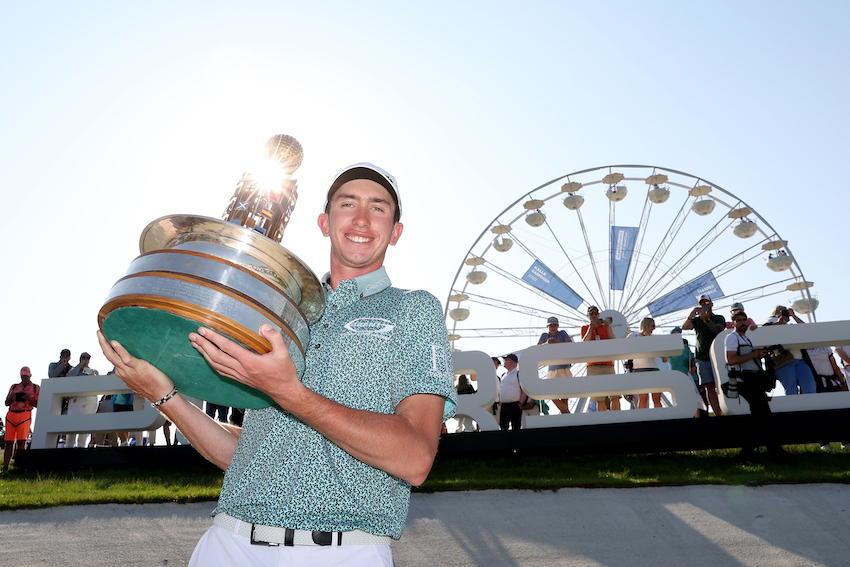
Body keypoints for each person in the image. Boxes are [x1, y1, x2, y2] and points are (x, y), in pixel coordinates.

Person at [98, 162, 456, 565]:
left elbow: (416, 458)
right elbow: (245, 455)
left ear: (396, 231)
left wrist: (289, 392)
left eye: (378, 208)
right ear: (324, 222)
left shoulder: (414, 309)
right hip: (228, 543)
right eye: (347, 203)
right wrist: (163, 394)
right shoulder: (281, 312)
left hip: (343, 551)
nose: (360, 219)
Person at [725, 311, 790, 464]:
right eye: (739, 320)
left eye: (744, 320)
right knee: (764, 417)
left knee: (761, 419)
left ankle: (753, 455)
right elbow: (731, 360)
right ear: (733, 323)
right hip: (744, 381)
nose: (742, 323)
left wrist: (760, 354)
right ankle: (772, 454)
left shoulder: (745, 337)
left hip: (753, 380)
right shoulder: (732, 337)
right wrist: (755, 355)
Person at [682, 294, 724, 416]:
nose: (704, 305)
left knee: (721, 384)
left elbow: (719, 330)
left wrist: (707, 320)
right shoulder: (696, 321)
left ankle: (724, 409)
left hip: (717, 356)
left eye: (706, 303)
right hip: (702, 357)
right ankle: (717, 414)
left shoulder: (718, 318)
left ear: (711, 304)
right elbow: (685, 327)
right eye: (702, 303)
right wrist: (691, 315)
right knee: (708, 386)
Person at [763, 306, 816, 395]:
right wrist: (778, 323)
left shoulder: (789, 325)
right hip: (783, 360)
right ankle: (795, 408)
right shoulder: (771, 321)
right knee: (791, 389)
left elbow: (806, 329)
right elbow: (765, 329)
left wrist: (794, 316)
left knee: (809, 385)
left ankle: (811, 407)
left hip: (799, 359)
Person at [581, 306, 619, 411]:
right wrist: (591, 328)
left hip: (608, 364)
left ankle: (617, 419)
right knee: (599, 398)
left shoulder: (605, 327)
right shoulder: (584, 328)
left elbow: (613, 340)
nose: (593, 315)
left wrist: (607, 326)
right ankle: (604, 421)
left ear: (599, 315)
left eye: (595, 313)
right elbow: (585, 342)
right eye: (591, 313)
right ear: (588, 316)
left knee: (615, 395)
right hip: (593, 366)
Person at [626, 317, 668, 409]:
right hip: (639, 370)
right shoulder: (633, 336)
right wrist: (646, 340)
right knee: (643, 398)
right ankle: (642, 420)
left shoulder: (655, 339)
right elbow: (628, 349)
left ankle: (660, 419)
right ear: (646, 325)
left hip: (654, 369)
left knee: (657, 399)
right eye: (653, 325)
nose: (654, 328)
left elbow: (665, 359)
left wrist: (653, 343)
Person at [4, 366, 39, 471]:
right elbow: (6, 403)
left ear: (30, 376)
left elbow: (39, 404)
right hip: (11, 415)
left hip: (25, 415)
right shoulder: (14, 387)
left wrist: (29, 399)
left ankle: (20, 467)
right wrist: (12, 397)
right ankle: (5, 467)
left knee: (21, 442)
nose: (24, 379)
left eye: (26, 376)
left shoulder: (35, 388)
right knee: (8, 442)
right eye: (23, 377)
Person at [538, 316, 573, 414]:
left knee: (564, 396)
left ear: (557, 326)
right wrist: (547, 344)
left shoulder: (562, 333)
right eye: (551, 325)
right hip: (552, 369)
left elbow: (571, 345)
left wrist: (557, 343)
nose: (553, 327)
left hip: (564, 367)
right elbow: (538, 347)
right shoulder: (544, 335)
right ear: (547, 326)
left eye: (555, 325)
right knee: (550, 393)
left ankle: (566, 416)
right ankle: (568, 414)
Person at [64, 353, 99, 448]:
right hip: (76, 399)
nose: (86, 359)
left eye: (88, 358)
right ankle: (68, 448)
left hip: (90, 399)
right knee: (72, 427)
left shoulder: (94, 371)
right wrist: (80, 366)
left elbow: (98, 384)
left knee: (86, 426)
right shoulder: (75, 371)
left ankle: (81, 447)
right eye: (83, 358)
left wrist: (92, 376)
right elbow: (69, 377)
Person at [498, 354, 529, 430]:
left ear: (510, 362)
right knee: (503, 427)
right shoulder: (503, 375)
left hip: (515, 405)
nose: (504, 362)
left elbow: (524, 390)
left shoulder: (518, 373)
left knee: (516, 428)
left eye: (506, 360)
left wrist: (520, 403)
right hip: (504, 406)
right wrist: (500, 401)